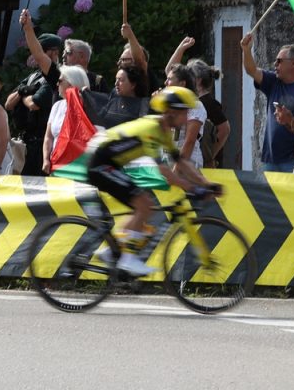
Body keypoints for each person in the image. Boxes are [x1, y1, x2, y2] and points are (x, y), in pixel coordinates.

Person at [84, 86, 222, 276]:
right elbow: (164, 171)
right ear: (172, 112)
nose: (187, 118)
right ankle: (127, 260)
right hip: (100, 163)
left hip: (110, 162)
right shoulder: (151, 129)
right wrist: (192, 188)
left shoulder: (162, 131)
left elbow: (181, 162)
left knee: (142, 207)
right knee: (144, 204)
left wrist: (206, 184)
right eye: (185, 113)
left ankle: (112, 251)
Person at [240, 32, 294, 173]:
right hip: (270, 159)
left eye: (279, 61)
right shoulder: (274, 82)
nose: (275, 64)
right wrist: (246, 49)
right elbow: (251, 70)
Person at [9, 11, 64, 176]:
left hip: (43, 145)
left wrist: (28, 28)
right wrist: (23, 91)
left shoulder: (57, 77)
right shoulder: (33, 77)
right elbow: (8, 103)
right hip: (26, 143)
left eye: (57, 51)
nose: (55, 55)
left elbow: (34, 104)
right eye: (51, 51)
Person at [44, 65, 95, 168]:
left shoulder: (89, 107)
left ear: (71, 83)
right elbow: (48, 137)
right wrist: (45, 160)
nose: (57, 84)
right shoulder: (57, 106)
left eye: (60, 81)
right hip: (57, 164)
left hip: (80, 166)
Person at [164, 64, 207, 168]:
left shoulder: (196, 105)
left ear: (182, 84)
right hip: (167, 163)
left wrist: (177, 169)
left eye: (169, 79)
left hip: (188, 165)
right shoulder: (168, 104)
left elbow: (190, 141)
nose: (165, 83)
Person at [99, 64, 150, 129]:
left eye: (121, 80)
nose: (116, 83)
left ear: (133, 85)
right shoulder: (112, 101)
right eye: (116, 79)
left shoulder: (143, 106)